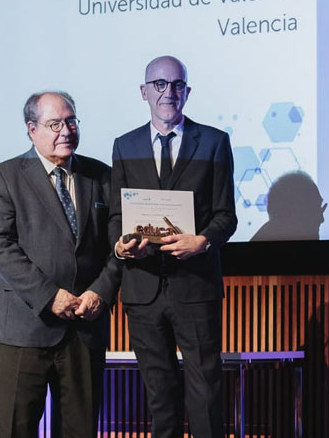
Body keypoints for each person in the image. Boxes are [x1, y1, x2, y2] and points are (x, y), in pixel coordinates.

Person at [110, 56, 237, 438]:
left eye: (177, 85)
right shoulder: (124, 145)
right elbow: (117, 215)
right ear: (144, 92)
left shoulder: (213, 141)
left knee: (205, 392)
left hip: (195, 287)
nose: (169, 93)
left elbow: (225, 216)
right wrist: (122, 246)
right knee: (159, 395)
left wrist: (202, 241)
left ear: (188, 92)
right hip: (143, 289)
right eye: (160, 84)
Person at [0, 91, 121, 438]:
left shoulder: (101, 177)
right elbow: (0, 247)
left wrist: (99, 293)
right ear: (32, 129)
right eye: (54, 124)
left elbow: (117, 249)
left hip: (84, 328)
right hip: (23, 329)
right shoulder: (4, 176)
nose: (66, 131)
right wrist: (49, 296)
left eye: (71, 121)